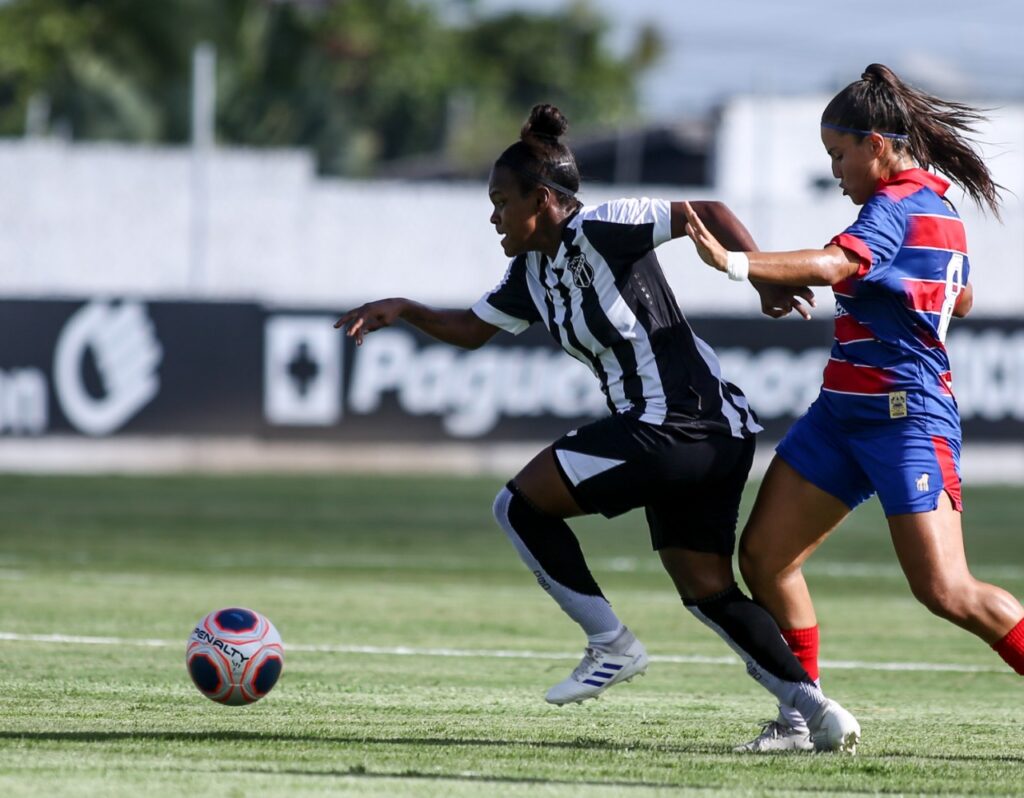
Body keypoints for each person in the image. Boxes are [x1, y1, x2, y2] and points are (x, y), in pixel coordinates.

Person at [336, 103, 860, 753]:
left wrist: (755, 276)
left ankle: (610, 643)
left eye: (502, 200)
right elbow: (471, 330)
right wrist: (405, 309)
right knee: (707, 591)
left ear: (545, 200)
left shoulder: (605, 226)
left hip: (678, 426)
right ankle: (816, 712)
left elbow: (707, 212)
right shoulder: (532, 273)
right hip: (706, 436)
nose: (493, 215)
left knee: (518, 505)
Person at [682, 63, 1024, 753]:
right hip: (841, 416)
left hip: (907, 421)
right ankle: (803, 719)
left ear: (875, 144)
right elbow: (961, 299)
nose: (835, 169)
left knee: (947, 590)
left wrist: (737, 264)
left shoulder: (896, 206)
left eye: (839, 155)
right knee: (766, 558)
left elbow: (838, 264)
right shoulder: (936, 206)